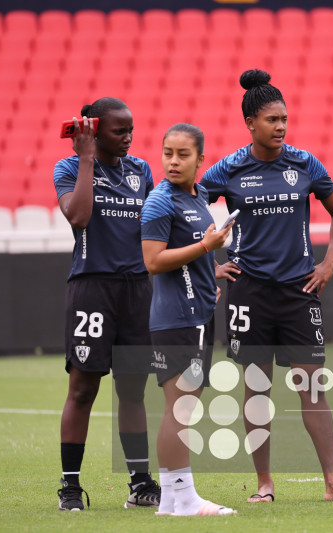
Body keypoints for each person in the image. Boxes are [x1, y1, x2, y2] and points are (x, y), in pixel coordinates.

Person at [199, 69, 333, 503]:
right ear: (250, 123)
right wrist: (209, 263)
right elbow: (185, 207)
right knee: (257, 388)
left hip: (299, 290)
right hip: (249, 291)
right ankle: (264, 484)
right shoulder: (230, 168)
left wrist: (328, 262)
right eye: (272, 120)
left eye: (284, 120)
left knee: (312, 385)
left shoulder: (304, 163)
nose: (280, 127)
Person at [54, 97, 160, 510]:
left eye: (131, 129)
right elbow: (78, 217)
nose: (129, 138)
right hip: (92, 289)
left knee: (132, 391)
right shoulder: (68, 169)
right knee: (83, 389)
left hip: (137, 290)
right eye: (120, 130)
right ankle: (69, 487)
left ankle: (140, 482)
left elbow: (159, 228)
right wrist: (84, 159)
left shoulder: (141, 171)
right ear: (95, 132)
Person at [140, 123, 238, 516]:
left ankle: (169, 499)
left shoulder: (195, 198)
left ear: (200, 159)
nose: (174, 161)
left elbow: (184, 257)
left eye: (182, 154)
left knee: (182, 407)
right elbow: (152, 261)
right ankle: (186, 498)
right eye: (168, 153)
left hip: (193, 315)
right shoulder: (161, 201)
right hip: (177, 321)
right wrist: (206, 246)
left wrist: (207, 272)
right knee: (179, 408)